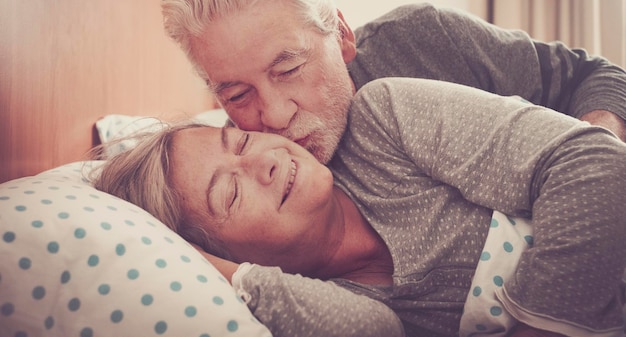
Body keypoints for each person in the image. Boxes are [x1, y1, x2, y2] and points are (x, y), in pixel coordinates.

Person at [93, 77, 626, 337]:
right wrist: (203, 265)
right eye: (229, 194)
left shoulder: (382, 122)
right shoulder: (341, 303)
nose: (265, 163)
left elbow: (594, 160)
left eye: (241, 143)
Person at [160, 0, 626, 165]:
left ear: (340, 35)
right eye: (237, 95)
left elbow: (599, 77)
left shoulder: (423, 38)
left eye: (289, 68)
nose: (275, 116)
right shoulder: (238, 165)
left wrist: (593, 160)